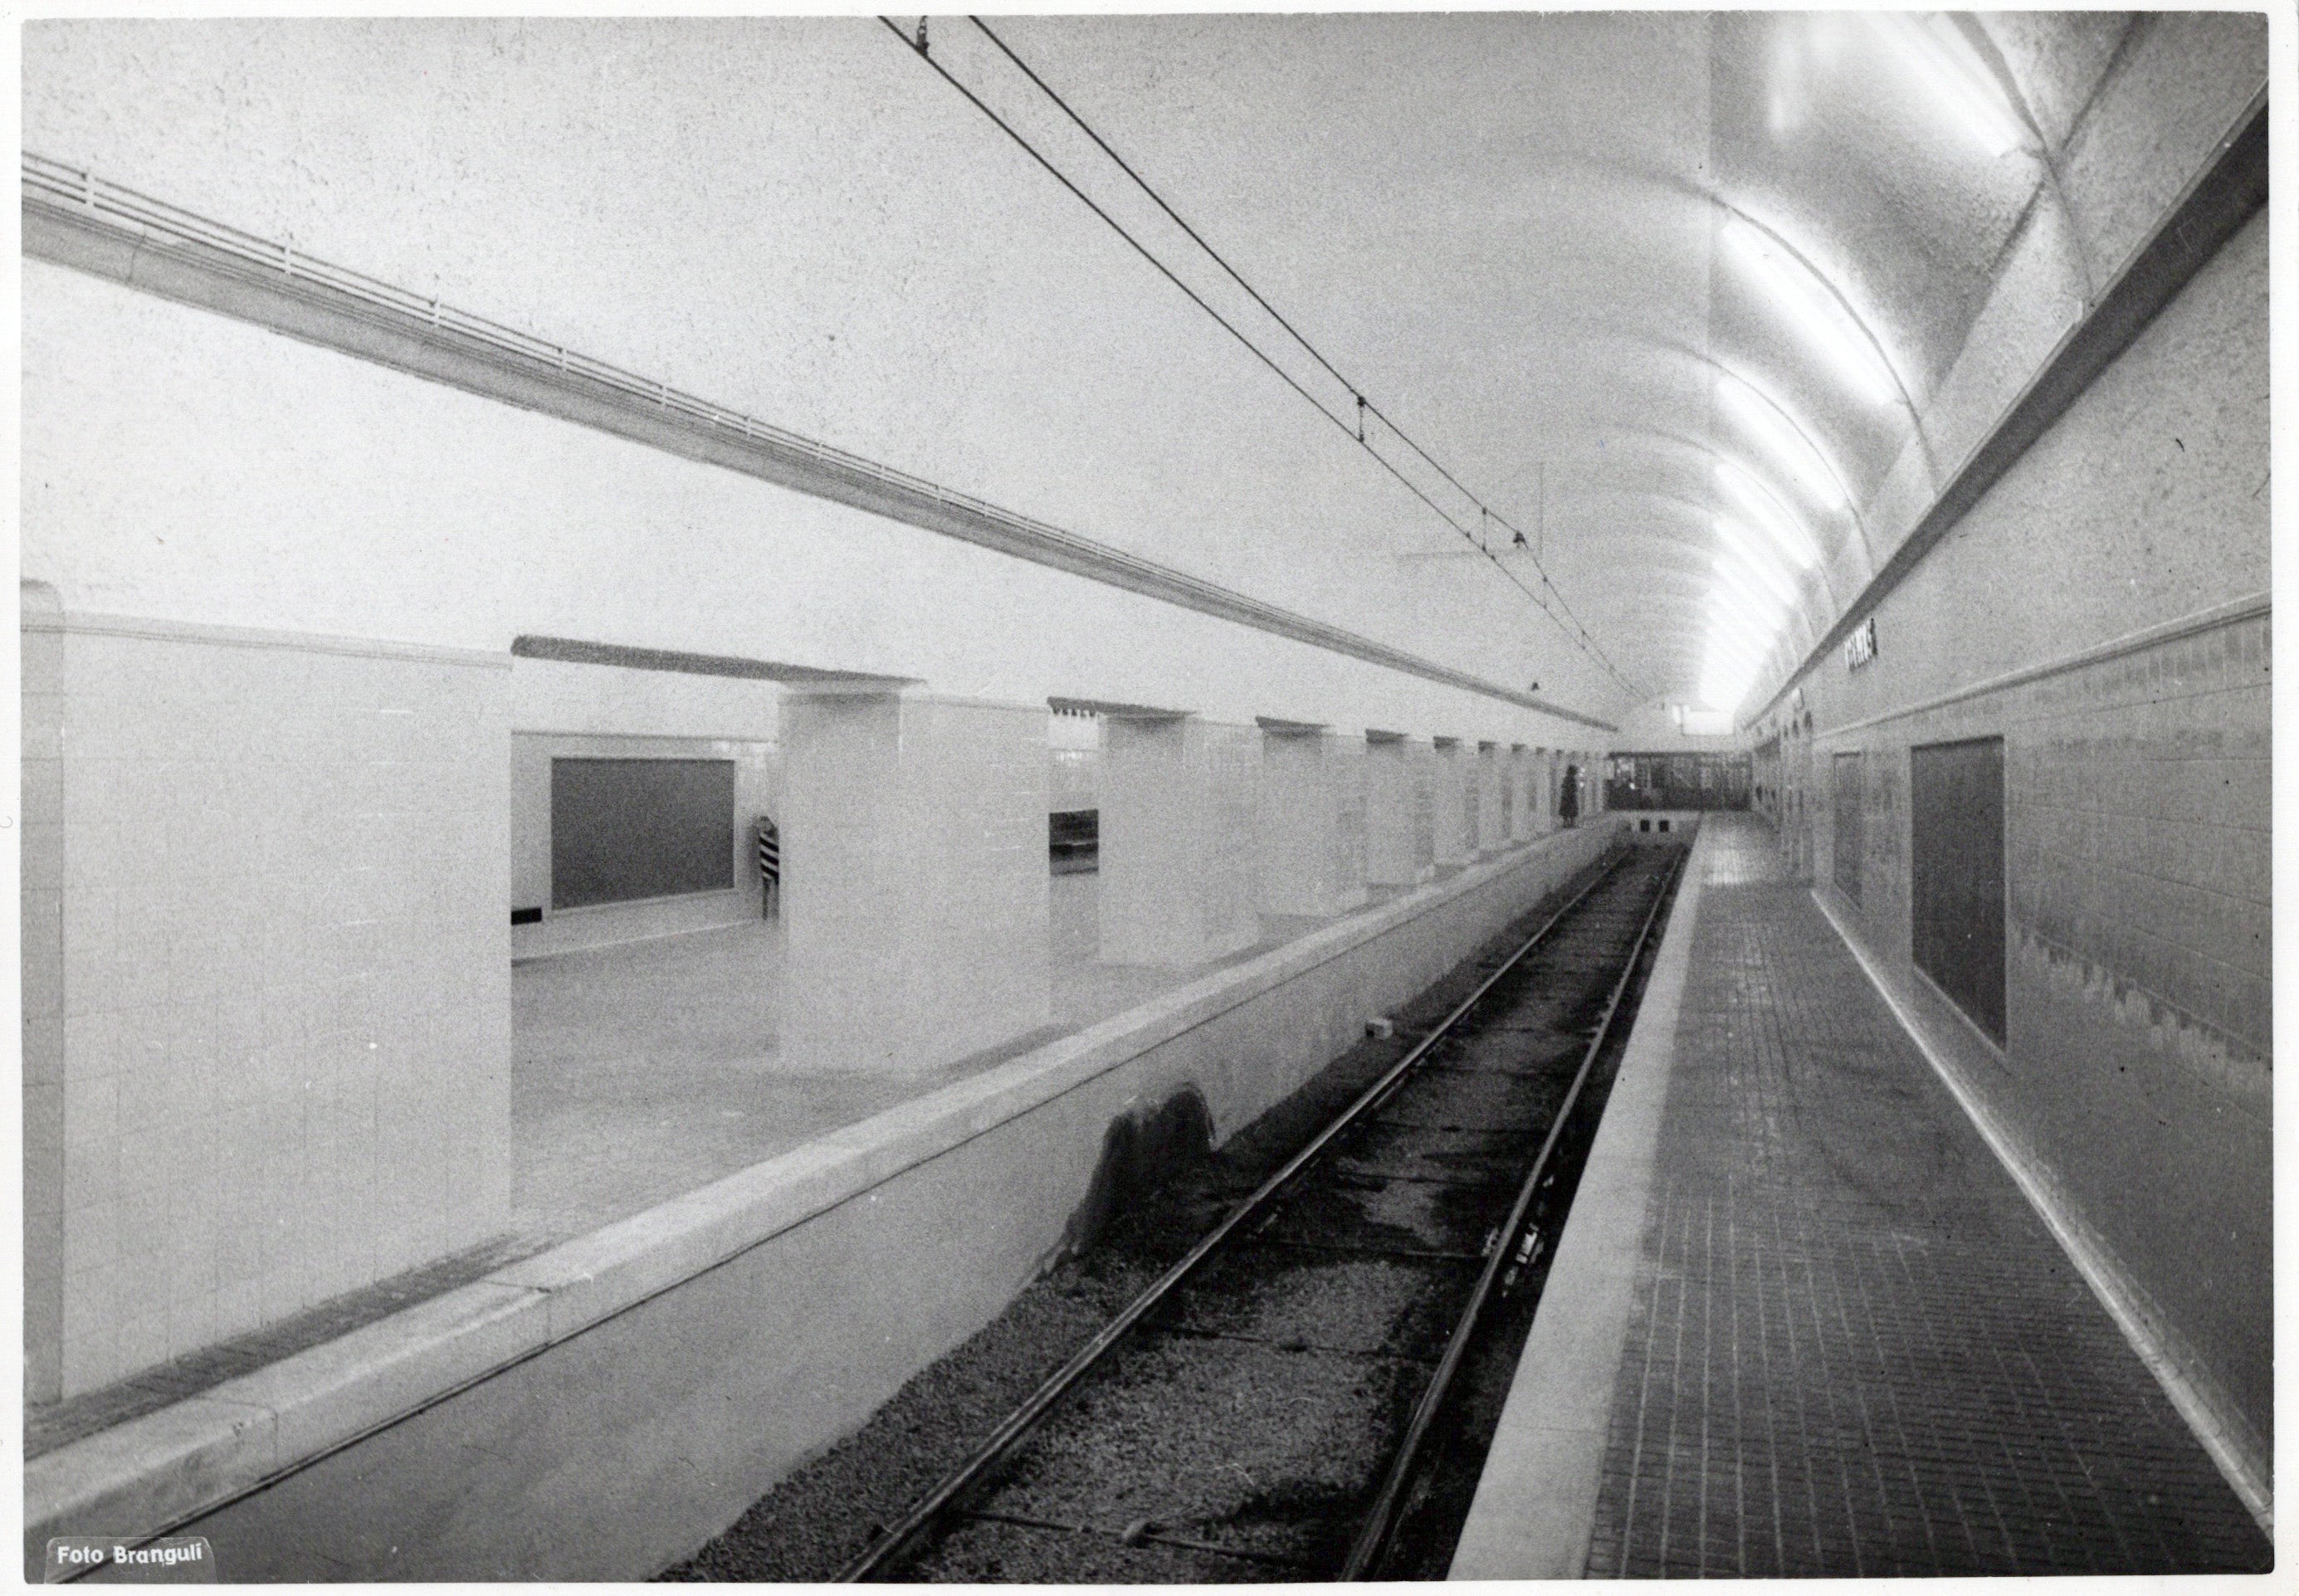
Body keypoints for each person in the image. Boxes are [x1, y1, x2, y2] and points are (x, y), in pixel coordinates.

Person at [755, 813, 780, 919]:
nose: (764, 827)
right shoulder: (762, 835)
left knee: (777, 889)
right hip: (767, 865)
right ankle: (765, 914)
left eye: (765, 825)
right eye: (762, 826)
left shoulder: (776, 834)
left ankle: (775, 913)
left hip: (776, 864)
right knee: (766, 890)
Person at [1559, 764, 1579, 828]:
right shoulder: (1572, 779)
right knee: (1572, 810)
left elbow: (1564, 786)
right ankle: (1571, 823)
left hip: (1566, 797)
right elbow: (1574, 788)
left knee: (1566, 810)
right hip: (1571, 797)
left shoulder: (1566, 778)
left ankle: (1566, 823)